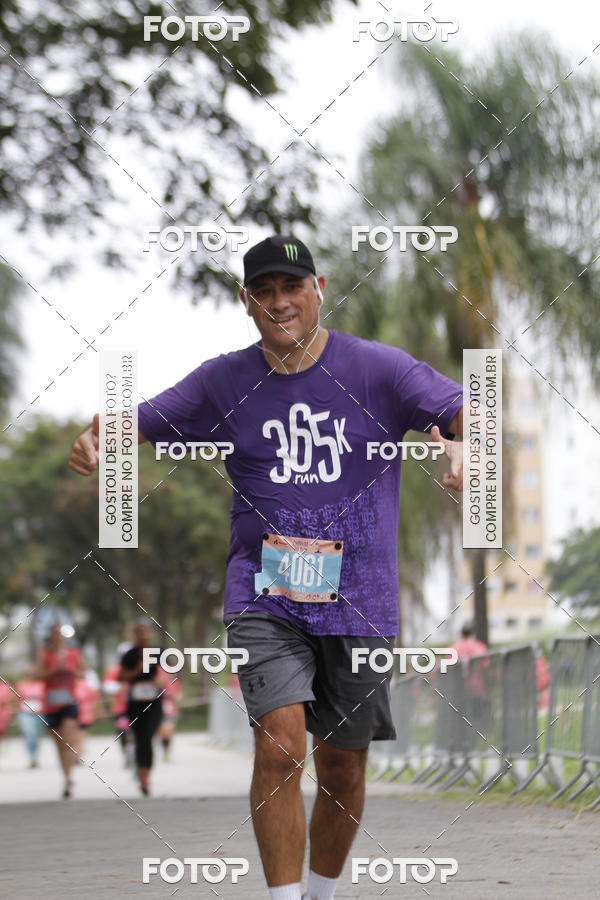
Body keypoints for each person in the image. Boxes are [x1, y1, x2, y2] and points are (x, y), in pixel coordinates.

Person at [68, 234, 464, 899]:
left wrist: (464, 448)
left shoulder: (379, 370)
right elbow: (134, 420)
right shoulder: (223, 380)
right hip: (265, 594)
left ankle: (318, 894)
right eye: (264, 291)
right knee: (280, 745)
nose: (279, 303)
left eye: (292, 287)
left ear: (320, 290)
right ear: (246, 301)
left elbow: (467, 408)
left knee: (343, 768)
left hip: (360, 600)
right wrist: (92, 437)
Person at [33, 623, 84, 797]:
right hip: (51, 704)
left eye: (60, 633)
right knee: (59, 746)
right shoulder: (44, 655)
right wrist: (53, 671)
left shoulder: (73, 654)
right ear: (50, 636)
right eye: (54, 633)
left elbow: (83, 673)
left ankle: (70, 779)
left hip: (69, 703)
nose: (58, 636)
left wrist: (73, 671)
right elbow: (37, 675)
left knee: (68, 741)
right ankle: (66, 777)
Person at [119, 620, 164, 795]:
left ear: (150, 633)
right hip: (135, 703)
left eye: (145, 631)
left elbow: (168, 674)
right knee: (139, 739)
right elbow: (121, 677)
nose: (142, 635)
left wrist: (161, 681)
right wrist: (137, 671)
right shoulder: (129, 655)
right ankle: (141, 773)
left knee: (147, 737)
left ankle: (146, 776)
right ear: (134, 635)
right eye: (138, 632)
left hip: (154, 703)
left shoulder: (158, 653)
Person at [102, 644, 133, 765]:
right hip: (120, 708)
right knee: (122, 731)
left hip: (138, 707)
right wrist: (122, 687)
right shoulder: (115, 670)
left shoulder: (141, 667)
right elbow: (107, 686)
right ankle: (127, 753)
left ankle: (136, 752)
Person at [15, 671, 45, 767]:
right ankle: (31, 757)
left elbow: (45, 698)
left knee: (37, 735)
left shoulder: (41, 685)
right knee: (29, 734)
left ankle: (35, 755)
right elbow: (17, 699)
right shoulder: (21, 685)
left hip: (39, 713)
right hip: (25, 713)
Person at [158, 674, 181, 761]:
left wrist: (175, 697)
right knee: (162, 734)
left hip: (171, 712)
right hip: (159, 713)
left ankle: (166, 752)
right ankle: (165, 750)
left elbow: (179, 695)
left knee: (168, 731)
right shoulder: (158, 684)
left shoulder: (175, 683)